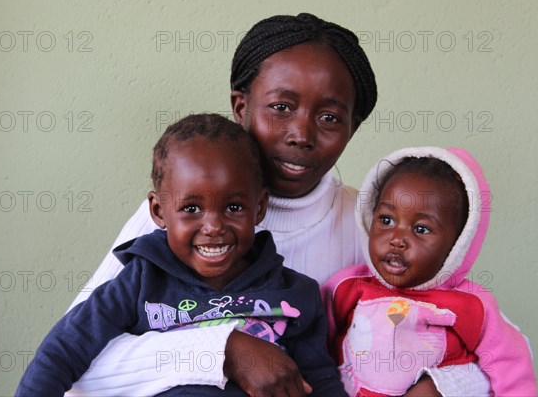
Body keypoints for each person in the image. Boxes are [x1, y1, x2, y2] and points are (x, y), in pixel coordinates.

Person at [65, 13, 490, 396]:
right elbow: (74, 358)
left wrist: (442, 386)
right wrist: (224, 350)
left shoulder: (377, 231)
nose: (300, 134)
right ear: (241, 107)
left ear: (352, 129)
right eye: (281, 108)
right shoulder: (179, 219)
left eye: (329, 118)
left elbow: (478, 344)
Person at [17, 113, 347, 396]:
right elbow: (63, 351)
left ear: (259, 207)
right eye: (191, 208)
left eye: (234, 206)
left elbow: (319, 378)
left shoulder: (294, 294)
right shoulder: (140, 280)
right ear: (159, 211)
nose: (214, 226)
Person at [323, 147, 537, 396]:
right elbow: (313, 344)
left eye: (421, 229)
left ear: (458, 243)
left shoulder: (472, 305)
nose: (397, 239)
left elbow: (510, 363)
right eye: (386, 220)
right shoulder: (346, 286)